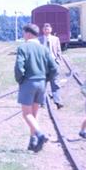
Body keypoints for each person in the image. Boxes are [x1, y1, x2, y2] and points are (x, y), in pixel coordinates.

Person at [14, 23, 58, 152]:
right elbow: (54, 68)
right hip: (41, 83)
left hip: (28, 83)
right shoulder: (43, 49)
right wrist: (46, 79)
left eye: (23, 33)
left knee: (26, 114)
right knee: (34, 114)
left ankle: (40, 135)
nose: (23, 36)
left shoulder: (23, 47)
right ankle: (32, 141)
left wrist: (20, 80)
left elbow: (19, 68)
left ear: (28, 33)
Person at [39, 23, 64, 108]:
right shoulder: (39, 40)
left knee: (55, 83)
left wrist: (58, 61)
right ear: (43, 30)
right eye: (45, 29)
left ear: (51, 30)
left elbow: (59, 51)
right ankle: (42, 102)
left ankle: (58, 102)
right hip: (43, 64)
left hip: (53, 63)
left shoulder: (56, 39)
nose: (47, 30)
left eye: (48, 28)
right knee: (42, 83)